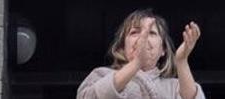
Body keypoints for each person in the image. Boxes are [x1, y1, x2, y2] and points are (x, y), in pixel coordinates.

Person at [76, 9, 204, 99]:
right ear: (122, 47)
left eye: (152, 33)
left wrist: (181, 61)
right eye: (135, 32)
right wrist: (136, 63)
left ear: (163, 50)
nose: (143, 36)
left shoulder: (175, 86)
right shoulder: (102, 75)